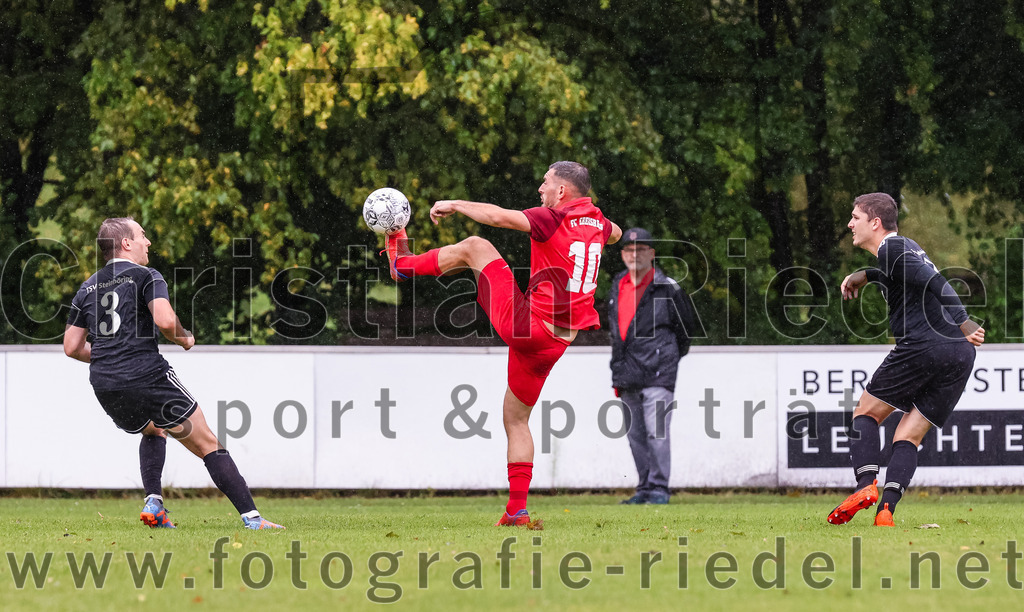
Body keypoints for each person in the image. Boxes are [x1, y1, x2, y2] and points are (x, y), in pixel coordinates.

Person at [381, 161, 622, 525]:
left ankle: (403, 265)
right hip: (555, 344)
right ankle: (517, 511)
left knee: (476, 246)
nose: (540, 190)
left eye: (545, 184)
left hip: (530, 328)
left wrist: (457, 204)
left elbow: (498, 217)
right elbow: (616, 233)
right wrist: (598, 228)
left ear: (561, 192)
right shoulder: (600, 224)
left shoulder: (552, 217)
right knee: (516, 418)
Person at [63, 217, 283, 530]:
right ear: (126, 243)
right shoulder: (145, 276)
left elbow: (72, 347)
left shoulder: (87, 287)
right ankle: (253, 519)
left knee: (153, 430)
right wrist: (184, 337)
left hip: (105, 383)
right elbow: (166, 321)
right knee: (209, 444)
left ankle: (154, 504)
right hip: (146, 375)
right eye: (142, 235)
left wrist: (109, 355)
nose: (147, 241)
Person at [827, 193, 984, 527]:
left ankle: (866, 485)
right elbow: (909, 279)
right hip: (959, 354)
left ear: (875, 223)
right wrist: (866, 275)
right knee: (908, 435)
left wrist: (963, 318)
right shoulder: (904, 247)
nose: (850, 224)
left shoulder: (891, 249)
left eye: (855, 217)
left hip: (926, 344)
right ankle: (886, 512)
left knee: (866, 412)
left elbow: (934, 281)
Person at [607, 228, 695, 505]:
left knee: (657, 433)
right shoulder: (617, 283)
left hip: (659, 373)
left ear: (652, 254)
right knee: (635, 436)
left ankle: (658, 489)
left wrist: (665, 358)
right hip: (627, 373)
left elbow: (687, 330)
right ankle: (644, 488)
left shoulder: (668, 286)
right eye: (629, 250)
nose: (635, 254)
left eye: (641, 249)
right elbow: (616, 333)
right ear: (622, 255)